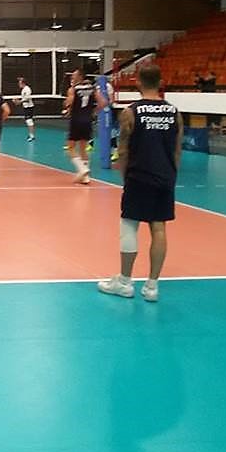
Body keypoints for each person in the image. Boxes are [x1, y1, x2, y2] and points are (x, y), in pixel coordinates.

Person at [98, 64, 182, 302]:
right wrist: (171, 175)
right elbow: (177, 149)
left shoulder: (131, 112)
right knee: (159, 228)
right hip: (165, 176)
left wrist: (126, 177)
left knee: (129, 224)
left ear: (138, 82)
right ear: (161, 82)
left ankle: (125, 282)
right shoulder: (174, 113)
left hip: (138, 176)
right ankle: (152, 286)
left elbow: (123, 150)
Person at [63, 70, 107, 185]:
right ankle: (86, 178)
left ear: (80, 77)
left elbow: (69, 102)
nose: (72, 77)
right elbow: (103, 102)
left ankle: (82, 169)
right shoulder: (92, 88)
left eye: (74, 76)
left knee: (70, 147)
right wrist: (94, 112)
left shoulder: (73, 89)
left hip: (76, 120)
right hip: (87, 120)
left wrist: (67, 107)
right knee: (83, 148)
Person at [15, 77, 35, 142]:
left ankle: (32, 136)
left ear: (23, 83)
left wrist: (19, 102)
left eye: (20, 83)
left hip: (29, 107)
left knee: (29, 121)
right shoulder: (23, 89)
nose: (18, 84)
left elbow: (27, 99)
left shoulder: (27, 89)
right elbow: (24, 99)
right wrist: (18, 101)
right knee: (28, 121)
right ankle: (31, 134)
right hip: (26, 107)